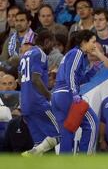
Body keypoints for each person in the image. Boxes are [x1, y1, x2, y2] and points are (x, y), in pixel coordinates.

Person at [51, 29, 99, 155]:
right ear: (84, 42)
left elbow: (74, 77)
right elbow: (71, 74)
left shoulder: (71, 54)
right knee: (92, 123)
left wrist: (92, 72)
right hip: (68, 96)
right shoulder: (77, 52)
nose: (95, 45)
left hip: (57, 96)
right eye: (93, 42)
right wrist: (74, 93)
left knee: (67, 134)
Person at [19, 28, 60, 156]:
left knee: (40, 143)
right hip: (38, 103)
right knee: (61, 132)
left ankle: (33, 155)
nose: (52, 48)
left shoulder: (25, 54)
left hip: (25, 105)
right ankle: (32, 153)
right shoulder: (40, 54)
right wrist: (48, 96)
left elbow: (20, 80)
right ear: (47, 41)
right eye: (52, 44)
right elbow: (35, 79)